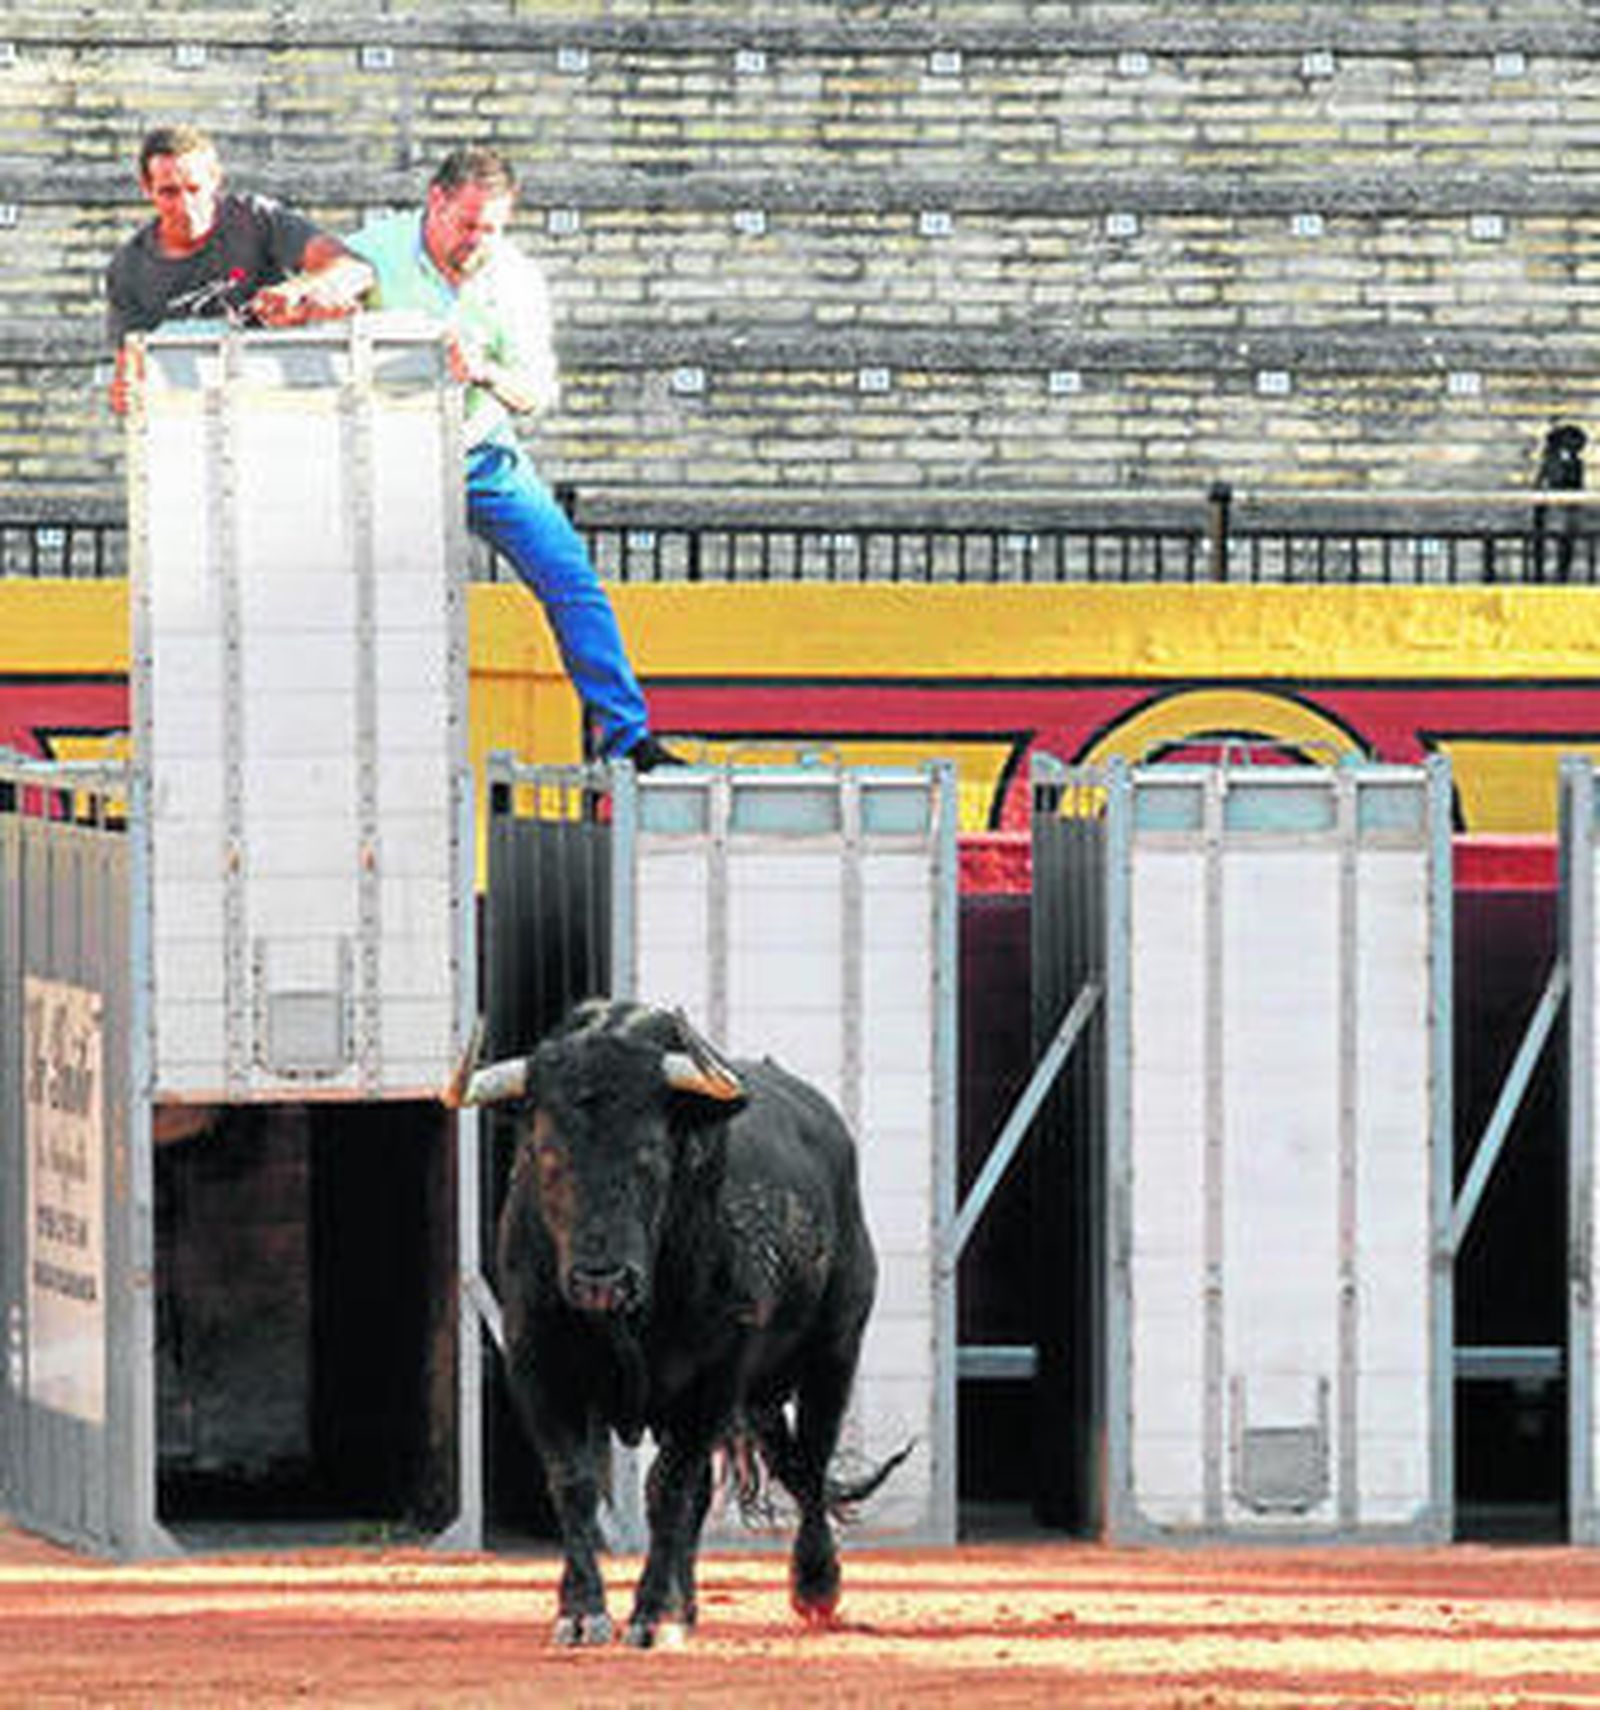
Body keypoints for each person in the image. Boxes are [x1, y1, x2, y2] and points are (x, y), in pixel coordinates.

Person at [346, 145, 680, 771]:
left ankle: (627, 737)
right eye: (467, 224)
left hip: (480, 449)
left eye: (492, 229)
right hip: (388, 455)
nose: (477, 242)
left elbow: (536, 396)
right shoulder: (371, 252)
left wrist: (486, 371)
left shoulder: (516, 281)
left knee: (568, 576)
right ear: (435, 202)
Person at [105, 123, 373, 412]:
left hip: (284, 399)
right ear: (147, 190)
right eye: (169, 193)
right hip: (195, 414)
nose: (186, 206)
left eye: (194, 189)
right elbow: (129, 371)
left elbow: (356, 270)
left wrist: (303, 289)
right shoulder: (129, 268)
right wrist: (125, 393)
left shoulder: (256, 219)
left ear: (215, 180)